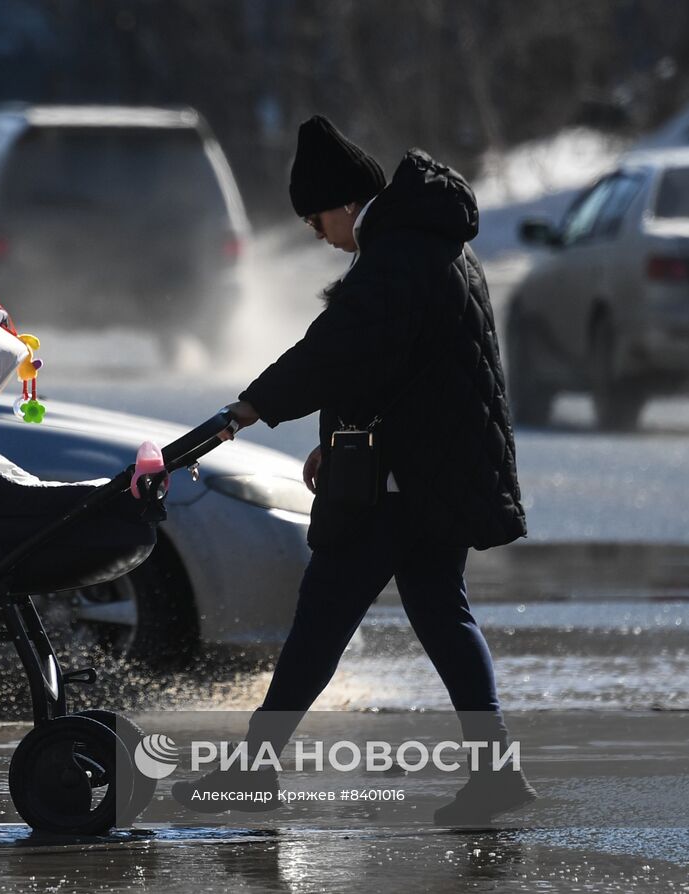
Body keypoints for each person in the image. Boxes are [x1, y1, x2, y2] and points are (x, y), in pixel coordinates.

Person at [173, 116, 535, 826]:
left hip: (401, 482)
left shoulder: (395, 254)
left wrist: (252, 406)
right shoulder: (432, 241)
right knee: (442, 612)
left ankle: (253, 771)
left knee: (323, 618)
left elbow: (336, 349)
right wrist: (339, 437)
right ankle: (496, 773)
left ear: (344, 203)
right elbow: (396, 362)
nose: (318, 235)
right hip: (435, 467)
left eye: (316, 221)